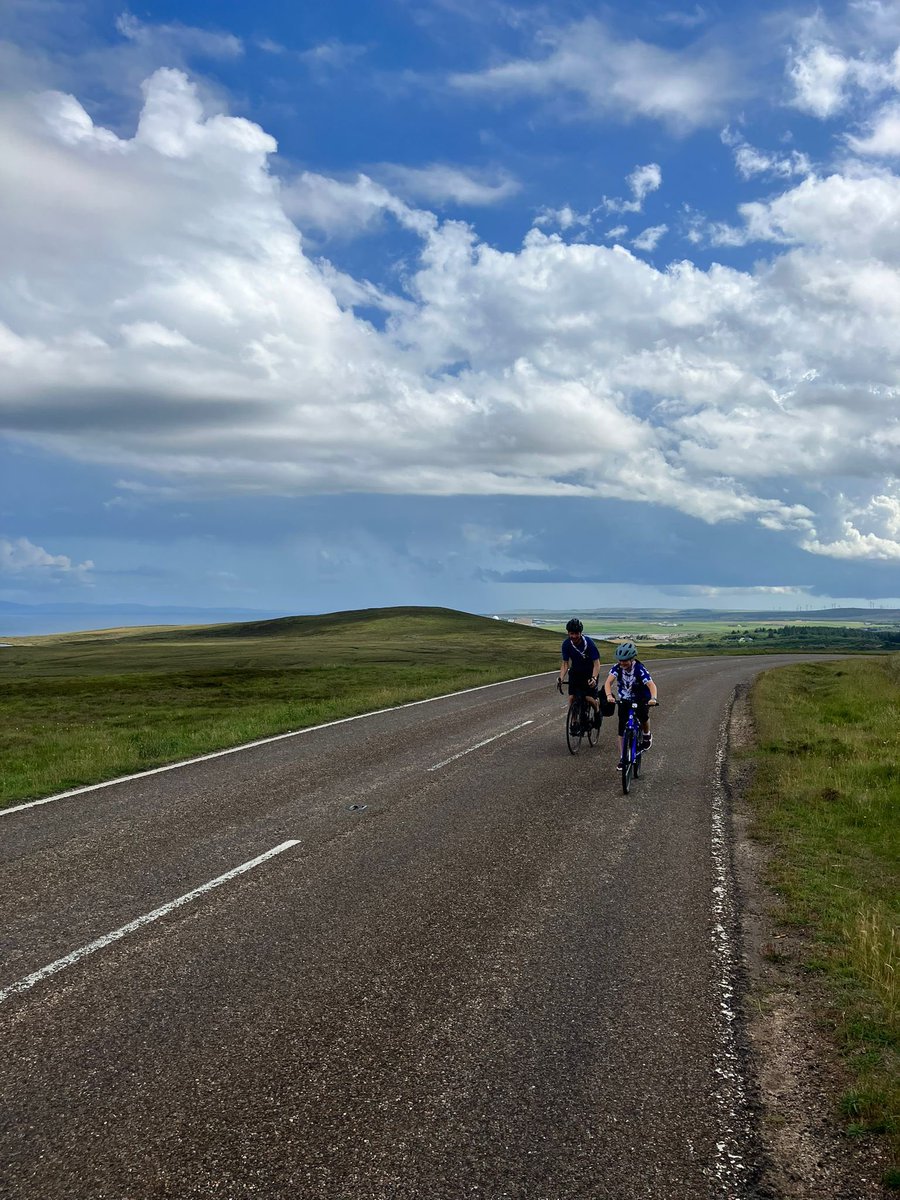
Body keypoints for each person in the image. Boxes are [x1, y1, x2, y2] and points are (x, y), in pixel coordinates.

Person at [603, 642, 658, 770]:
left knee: (643, 715)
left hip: (641, 698)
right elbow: (608, 682)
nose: (622, 663)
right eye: (620, 660)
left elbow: (651, 685)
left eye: (625, 661)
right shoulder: (617, 668)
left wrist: (653, 698)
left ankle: (646, 735)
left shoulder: (639, 669)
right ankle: (623, 757)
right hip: (625, 699)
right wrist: (609, 695)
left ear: (632, 658)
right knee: (622, 728)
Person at [557, 618, 602, 728]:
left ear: (580, 633)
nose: (574, 636)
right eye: (571, 633)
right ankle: (574, 721)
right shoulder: (566, 644)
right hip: (576, 672)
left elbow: (596, 664)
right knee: (572, 698)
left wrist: (594, 678)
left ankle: (597, 711)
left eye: (576, 633)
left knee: (589, 698)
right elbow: (565, 663)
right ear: (568, 633)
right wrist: (561, 678)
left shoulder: (589, 643)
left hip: (589, 673)